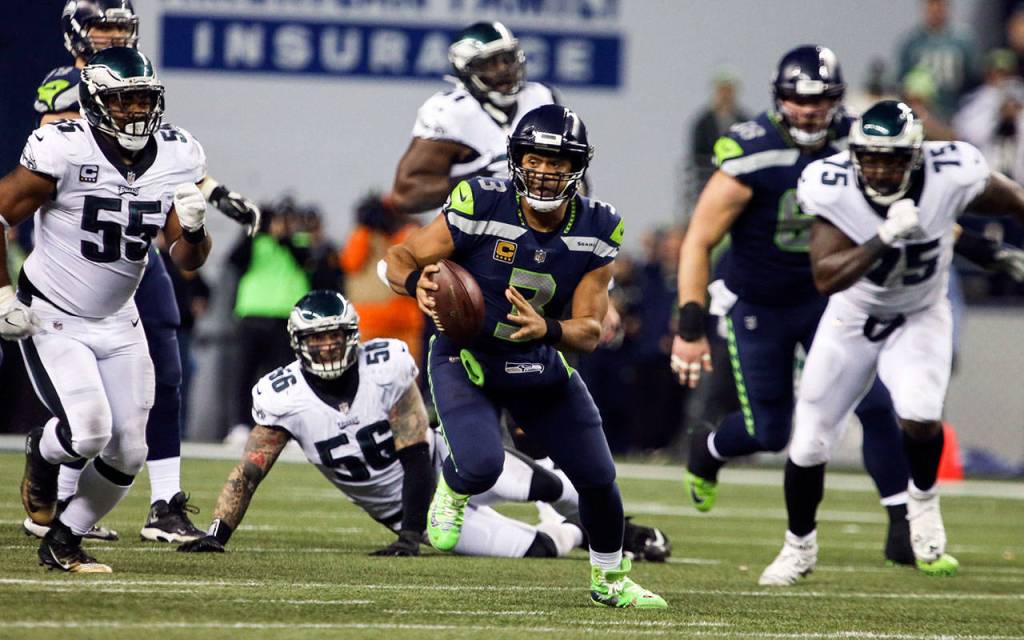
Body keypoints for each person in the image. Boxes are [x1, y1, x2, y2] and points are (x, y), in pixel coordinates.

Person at [382, 104, 666, 608]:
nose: (546, 171)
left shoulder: (599, 226)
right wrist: (415, 285)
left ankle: (608, 581)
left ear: (577, 168)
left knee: (599, 479)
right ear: (517, 159)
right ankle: (451, 488)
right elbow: (399, 256)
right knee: (481, 466)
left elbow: (589, 330)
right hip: (464, 357)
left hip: (538, 361)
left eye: (559, 163)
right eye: (536, 158)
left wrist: (548, 328)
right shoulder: (480, 202)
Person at [177, 291, 670, 560]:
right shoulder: (281, 397)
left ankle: (625, 531)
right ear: (298, 343)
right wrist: (218, 532)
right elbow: (249, 472)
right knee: (540, 549)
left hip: (445, 468)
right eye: (316, 340)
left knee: (549, 483)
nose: (327, 348)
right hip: (403, 511)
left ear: (353, 337)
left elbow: (415, 452)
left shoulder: (385, 365)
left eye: (335, 337)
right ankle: (580, 535)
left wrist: (412, 535)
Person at [22, 0, 259, 544]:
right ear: (77, 35)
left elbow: (159, 158)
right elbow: (82, 163)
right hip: (74, 246)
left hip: (132, 244)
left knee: (164, 366)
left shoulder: (145, 90)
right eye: (103, 26)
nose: (114, 35)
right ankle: (61, 493)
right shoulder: (63, 94)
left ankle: (163, 499)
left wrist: (212, 196)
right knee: (86, 414)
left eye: (123, 26)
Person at [759, 100, 1024, 585]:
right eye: (871, 158)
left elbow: (1011, 199)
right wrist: (883, 235)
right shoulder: (832, 184)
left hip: (921, 312)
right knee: (809, 439)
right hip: (852, 316)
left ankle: (923, 506)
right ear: (856, 156)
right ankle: (798, 547)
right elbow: (825, 277)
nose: (880, 170)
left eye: (893, 159)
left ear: (917, 157)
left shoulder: (953, 172)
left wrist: (993, 247)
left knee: (921, 412)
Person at [671, 45, 918, 566]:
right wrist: (690, 326)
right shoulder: (752, 150)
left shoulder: (858, 140)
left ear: (836, 100)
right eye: (796, 99)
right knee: (770, 431)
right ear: (778, 99)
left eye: (821, 100)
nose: (809, 110)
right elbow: (698, 240)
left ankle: (905, 522)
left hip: (831, 297)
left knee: (876, 403)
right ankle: (708, 449)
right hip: (760, 302)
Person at [5, 47, 212, 572]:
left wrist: (193, 228)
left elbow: (186, 259)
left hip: (120, 319)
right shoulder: (63, 149)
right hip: (53, 311)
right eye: (122, 103)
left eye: (143, 100)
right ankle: (43, 451)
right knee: (91, 430)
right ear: (95, 104)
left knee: (128, 451)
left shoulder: (177, 154)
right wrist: (2, 294)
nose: (135, 112)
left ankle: (64, 539)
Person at [389, 21, 557, 215]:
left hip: (536, 230)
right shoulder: (451, 111)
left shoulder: (540, 98)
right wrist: (482, 179)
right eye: (490, 63)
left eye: (507, 59)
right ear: (466, 68)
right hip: (471, 236)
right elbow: (406, 196)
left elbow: (577, 177)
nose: (503, 69)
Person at [896, 0, 979, 121]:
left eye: (939, 4)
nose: (936, 9)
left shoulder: (963, 41)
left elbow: (973, 80)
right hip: (921, 112)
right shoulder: (912, 42)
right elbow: (902, 80)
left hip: (956, 112)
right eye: (931, 4)